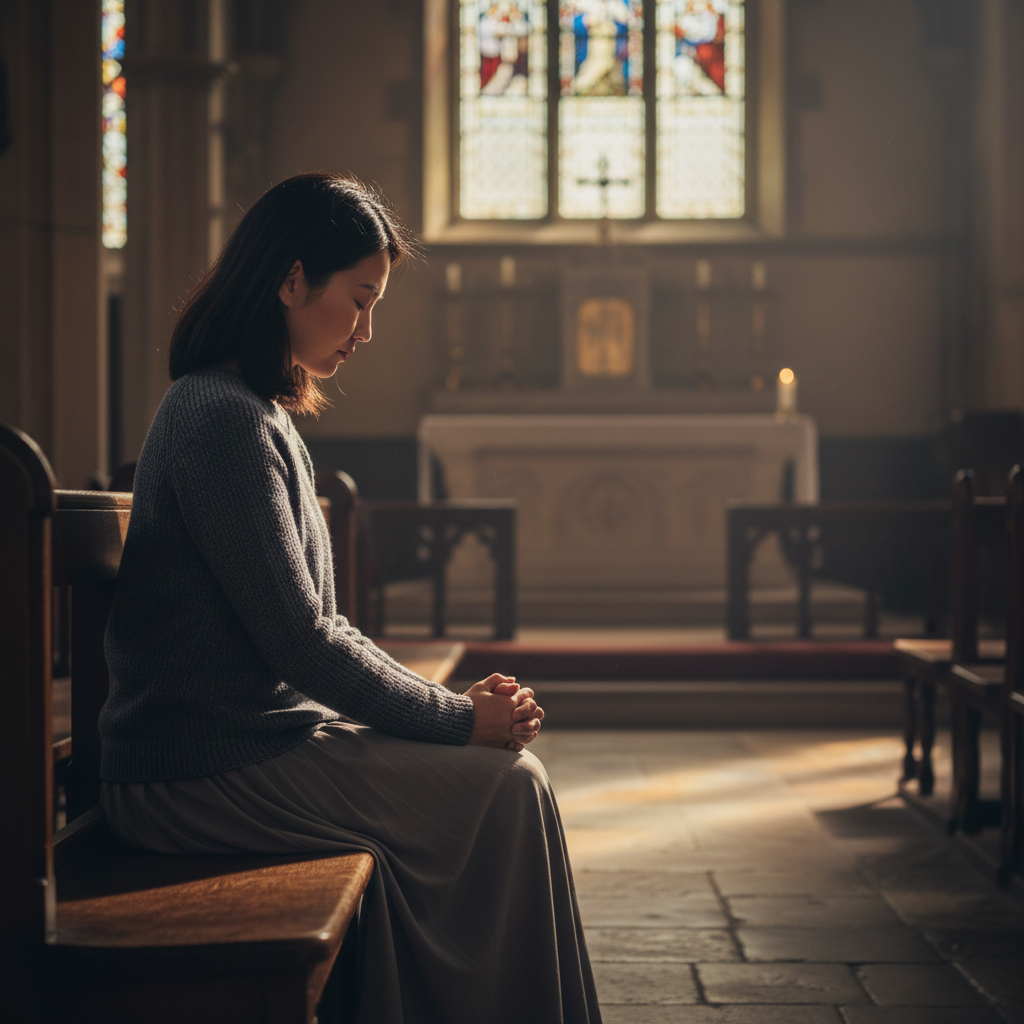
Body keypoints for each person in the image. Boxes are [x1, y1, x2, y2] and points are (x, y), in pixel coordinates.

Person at [97, 172, 602, 1024]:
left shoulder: (252, 412)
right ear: (291, 280)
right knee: (510, 788)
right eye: (360, 299)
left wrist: (450, 709)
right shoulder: (220, 419)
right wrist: (453, 719)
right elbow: (302, 642)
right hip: (193, 771)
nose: (367, 331)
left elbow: (321, 627)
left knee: (507, 781)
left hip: (248, 746)